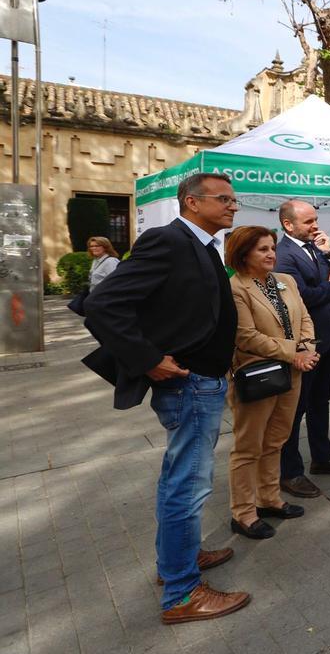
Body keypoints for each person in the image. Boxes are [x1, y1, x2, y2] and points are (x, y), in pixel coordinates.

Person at [82, 172, 248, 623]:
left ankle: (179, 562)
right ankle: (181, 594)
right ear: (192, 203)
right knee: (187, 487)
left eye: (235, 199)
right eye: (224, 199)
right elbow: (101, 304)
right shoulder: (168, 241)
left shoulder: (203, 246)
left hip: (205, 381)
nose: (233, 206)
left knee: (180, 481)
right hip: (189, 385)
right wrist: (148, 357)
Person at [225, 226, 317, 540]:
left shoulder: (286, 281)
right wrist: (296, 353)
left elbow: (304, 317)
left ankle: (269, 499)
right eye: (262, 249)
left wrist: (307, 348)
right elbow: (246, 336)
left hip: (292, 370)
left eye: (272, 248)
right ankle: (244, 513)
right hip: (258, 374)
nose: (271, 254)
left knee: (276, 440)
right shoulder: (236, 288)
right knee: (248, 447)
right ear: (243, 253)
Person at [273, 199, 330, 500]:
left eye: (316, 219)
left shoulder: (320, 249)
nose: (315, 226)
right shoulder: (282, 255)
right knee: (295, 409)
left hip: (329, 339)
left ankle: (322, 458)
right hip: (304, 346)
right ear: (288, 224)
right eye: (308, 221)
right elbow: (302, 297)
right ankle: (290, 473)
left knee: (321, 401)